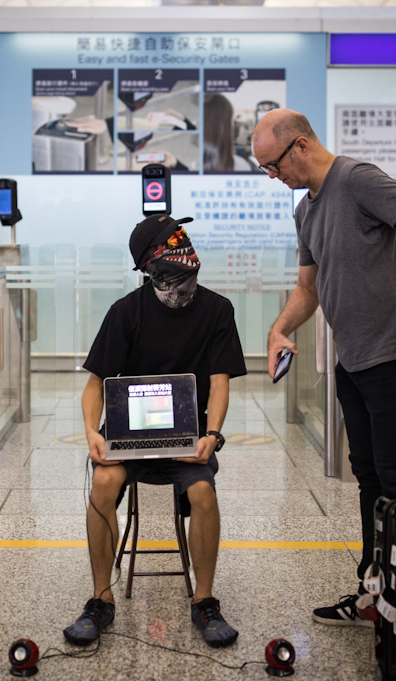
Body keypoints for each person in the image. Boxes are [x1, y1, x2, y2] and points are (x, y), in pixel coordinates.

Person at [252, 109, 396, 626]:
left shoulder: (357, 179)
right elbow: (308, 290)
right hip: (354, 360)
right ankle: (375, 587)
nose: (275, 179)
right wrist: (281, 329)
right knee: (368, 475)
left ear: (299, 146)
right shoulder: (306, 211)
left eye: (273, 166)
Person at [64, 213, 248, 648]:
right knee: (103, 483)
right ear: (153, 269)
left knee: (203, 492)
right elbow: (95, 386)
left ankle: (204, 600)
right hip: (129, 436)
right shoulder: (126, 312)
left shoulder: (217, 310)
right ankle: (100, 599)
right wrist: (92, 431)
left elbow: (219, 383)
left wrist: (213, 436)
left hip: (189, 437)